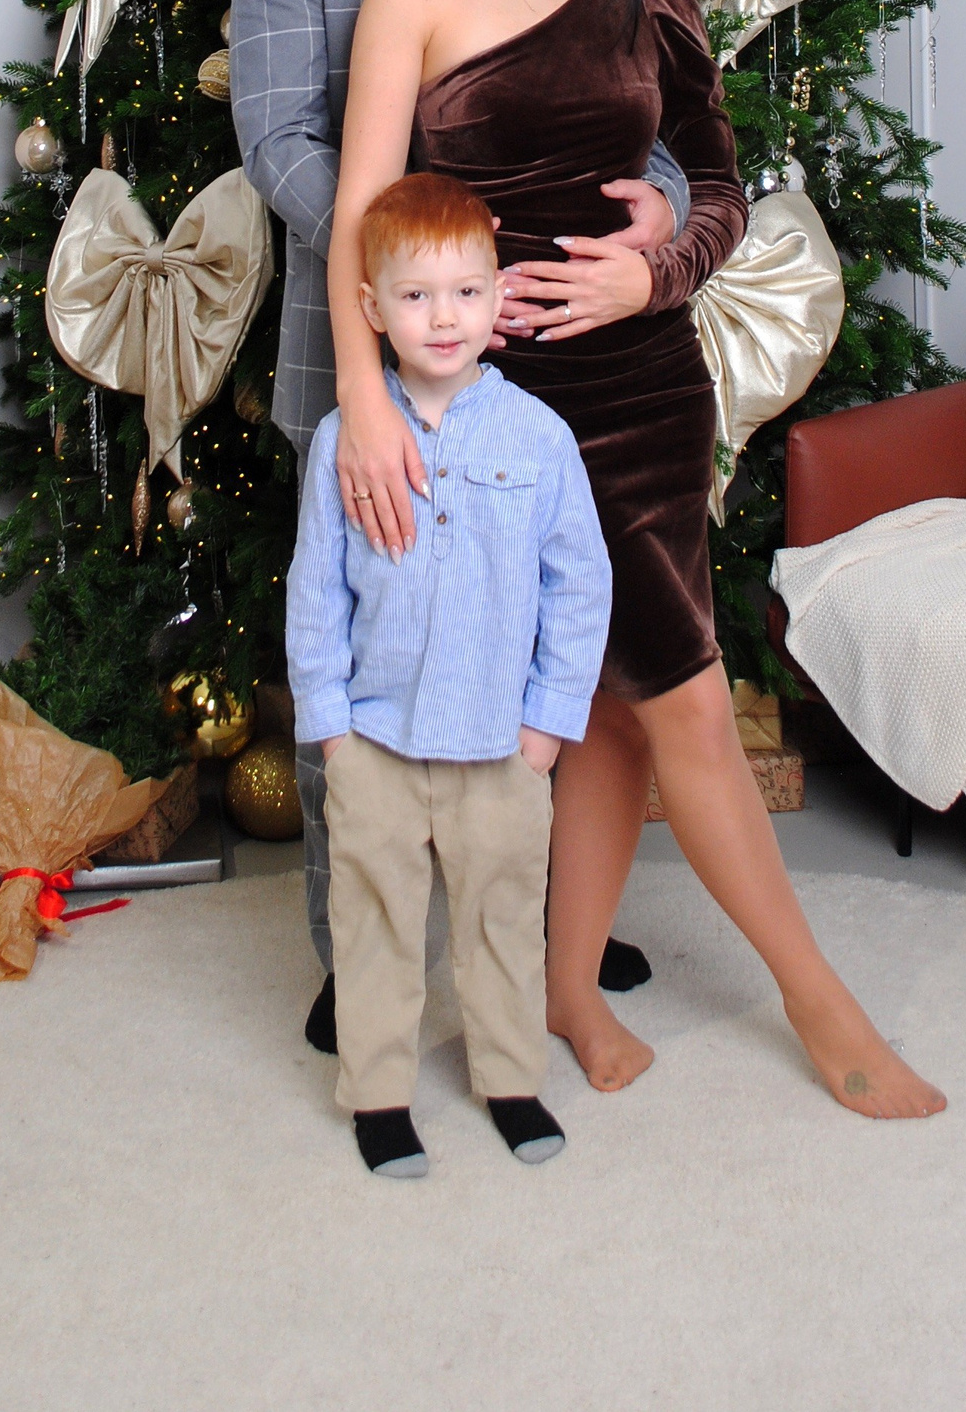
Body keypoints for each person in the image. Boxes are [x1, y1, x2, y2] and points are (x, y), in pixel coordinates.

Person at [327, 0, 948, 1123]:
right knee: (635, 700)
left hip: (647, 392)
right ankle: (799, 1005)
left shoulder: (656, 8)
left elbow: (719, 195)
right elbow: (362, 215)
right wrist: (367, 399)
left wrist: (651, 268)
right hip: (503, 408)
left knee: (650, 705)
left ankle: (617, 993)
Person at [230, 0, 689, 1050]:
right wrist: (434, 266)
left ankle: (550, 928)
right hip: (370, 348)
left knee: (541, 634)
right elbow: (279, 142)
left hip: (545, 358)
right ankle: (357, 956)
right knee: (371, 644)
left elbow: (619, 105)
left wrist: (665, 204)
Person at [287, 170, 611, 1177]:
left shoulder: (539, 438)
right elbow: (315, 590)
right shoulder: (344, 443)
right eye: (417, 296)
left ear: (497, 297)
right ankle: (378, 1096)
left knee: (502, 919)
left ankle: (510, 1082)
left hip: (499, 743)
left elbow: (579, 585)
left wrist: (548, 724)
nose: (443, 318)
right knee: (375, 923)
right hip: (376, 739)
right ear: (371, 308)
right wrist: (332, 729)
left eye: (467, 293)